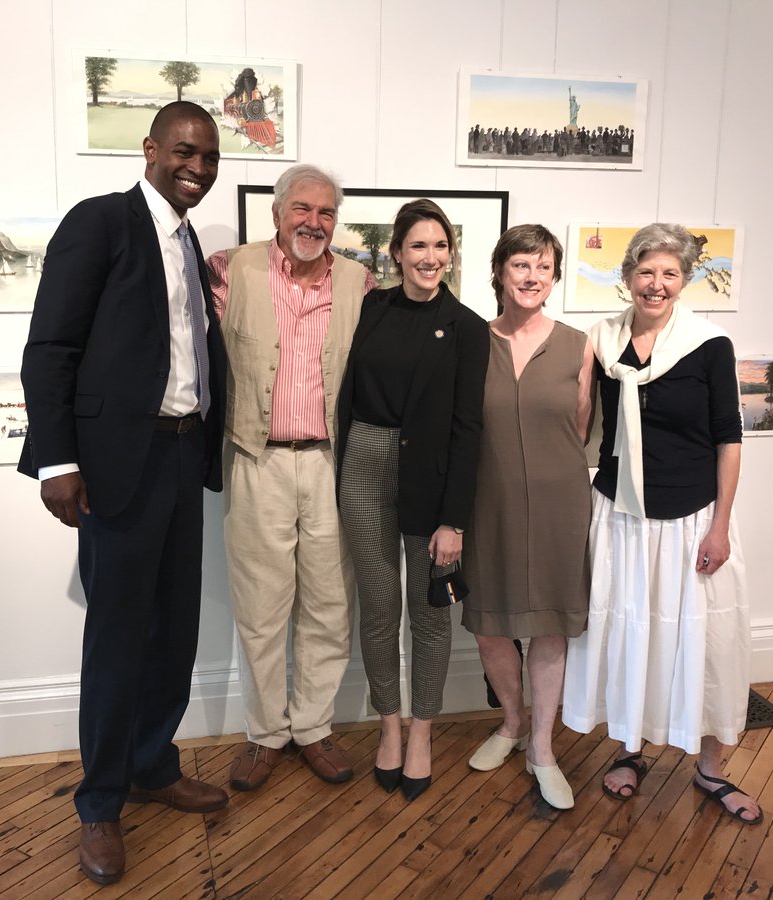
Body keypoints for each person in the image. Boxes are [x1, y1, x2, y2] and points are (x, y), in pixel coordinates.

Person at [18, 101, 229, 886]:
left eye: (209, 157)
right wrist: (57, 461)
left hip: (181, 455)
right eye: (184, 151)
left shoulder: (187, 239)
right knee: (116, 638)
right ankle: (100, 803)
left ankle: (151, 765)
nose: (197, 168)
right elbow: (50, 348)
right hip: (116, 464)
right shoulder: (100, 222)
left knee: (173, 630)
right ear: (150, 149)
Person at [561, 223, 761, 824]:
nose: (656, 284)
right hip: (620, 514)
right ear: (626, 277)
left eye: (670, 273)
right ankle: (631, 749)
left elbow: (728, 437)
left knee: (705, 641)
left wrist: (721, 526)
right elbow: (580, 425)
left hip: (691, 517)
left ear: (685, 280)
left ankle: (710, 767)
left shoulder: (709, 344)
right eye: (646, 271)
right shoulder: (601, 339)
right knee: (631, 634)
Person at [207, 165, 375, 793]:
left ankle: (313, 726)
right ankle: (265, 731)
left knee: (330, 603)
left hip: (333, 462)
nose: (313, 222)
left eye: (326, 212)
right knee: (261, 605)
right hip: (257, 458)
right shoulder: (230, 270)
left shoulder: (360, 281)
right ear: (277, 213)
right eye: (301, 209)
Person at [337, 199, 489, 801]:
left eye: (441, 245)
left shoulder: (467, 327)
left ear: (451, 253)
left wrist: (454, 520)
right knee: (378, 604)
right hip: (364, 466)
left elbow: (468, 428)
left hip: (432, 475)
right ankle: (389, 727)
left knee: (428, 612)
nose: (431, 257)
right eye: (419, 245)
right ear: (397, 252)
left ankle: (422, 731)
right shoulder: (371, 309)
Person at [462, 225, 596, 810]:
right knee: (489, 622)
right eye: (521, 264)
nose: (532, 276)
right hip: (484, 500)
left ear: (555, 276)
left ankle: (542, 747)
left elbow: (581, 427)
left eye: (543, 267)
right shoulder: (472, 342)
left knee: (550, 623)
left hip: (558, 503)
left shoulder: (578, 346)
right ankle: (512, 722)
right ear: (500, 271)